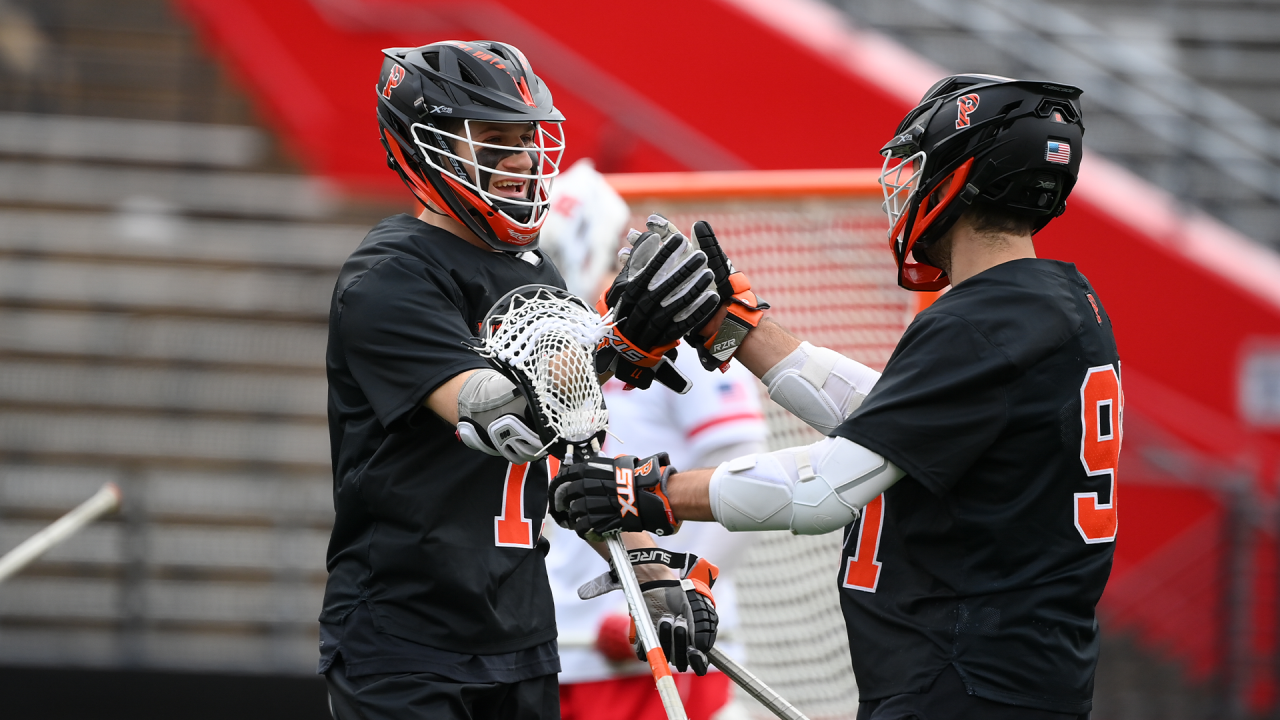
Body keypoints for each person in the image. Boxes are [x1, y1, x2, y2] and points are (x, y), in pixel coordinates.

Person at [556, 75, 1119, 719]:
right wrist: (734, 330)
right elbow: (884, 418)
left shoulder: (982, 323)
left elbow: (821, 489)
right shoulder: (1055, 301)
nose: (903, 188)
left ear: (960, 177)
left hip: (968, 682)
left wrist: (652, 493)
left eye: (918, 168)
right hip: (1008, 675)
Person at [320, 41, 719, 720]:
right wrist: (617, 342)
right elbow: (497, 418)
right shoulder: (389, 277)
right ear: (428, 147)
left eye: (528, 140)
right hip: (407, 640)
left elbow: (580, 458)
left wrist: (654, 574)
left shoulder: (538, 277)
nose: (522, 162)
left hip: (523, 634)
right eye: (496, 140)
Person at [539, 163, 767, 720]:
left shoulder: (677, 332)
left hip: (657, 645)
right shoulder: (528, 344)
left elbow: (743, 472)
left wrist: (683, 589)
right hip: (553, 641)